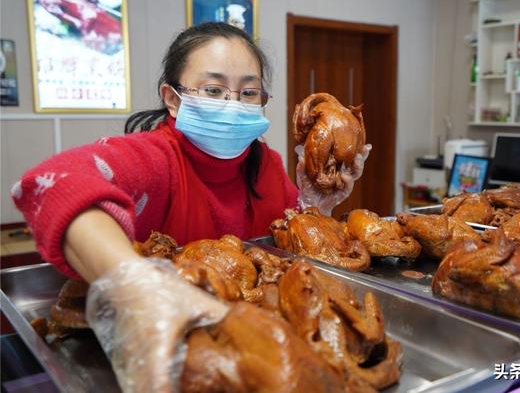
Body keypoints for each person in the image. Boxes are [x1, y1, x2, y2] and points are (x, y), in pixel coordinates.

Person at [10, 22, 369, 391]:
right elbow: (53, 181)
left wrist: (314, 205)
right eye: (213, 89)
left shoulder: (269, 166)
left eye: (248, 92)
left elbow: (295, 256)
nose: (232, 104)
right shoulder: (155, 159)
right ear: (172, 98)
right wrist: (138, 284)